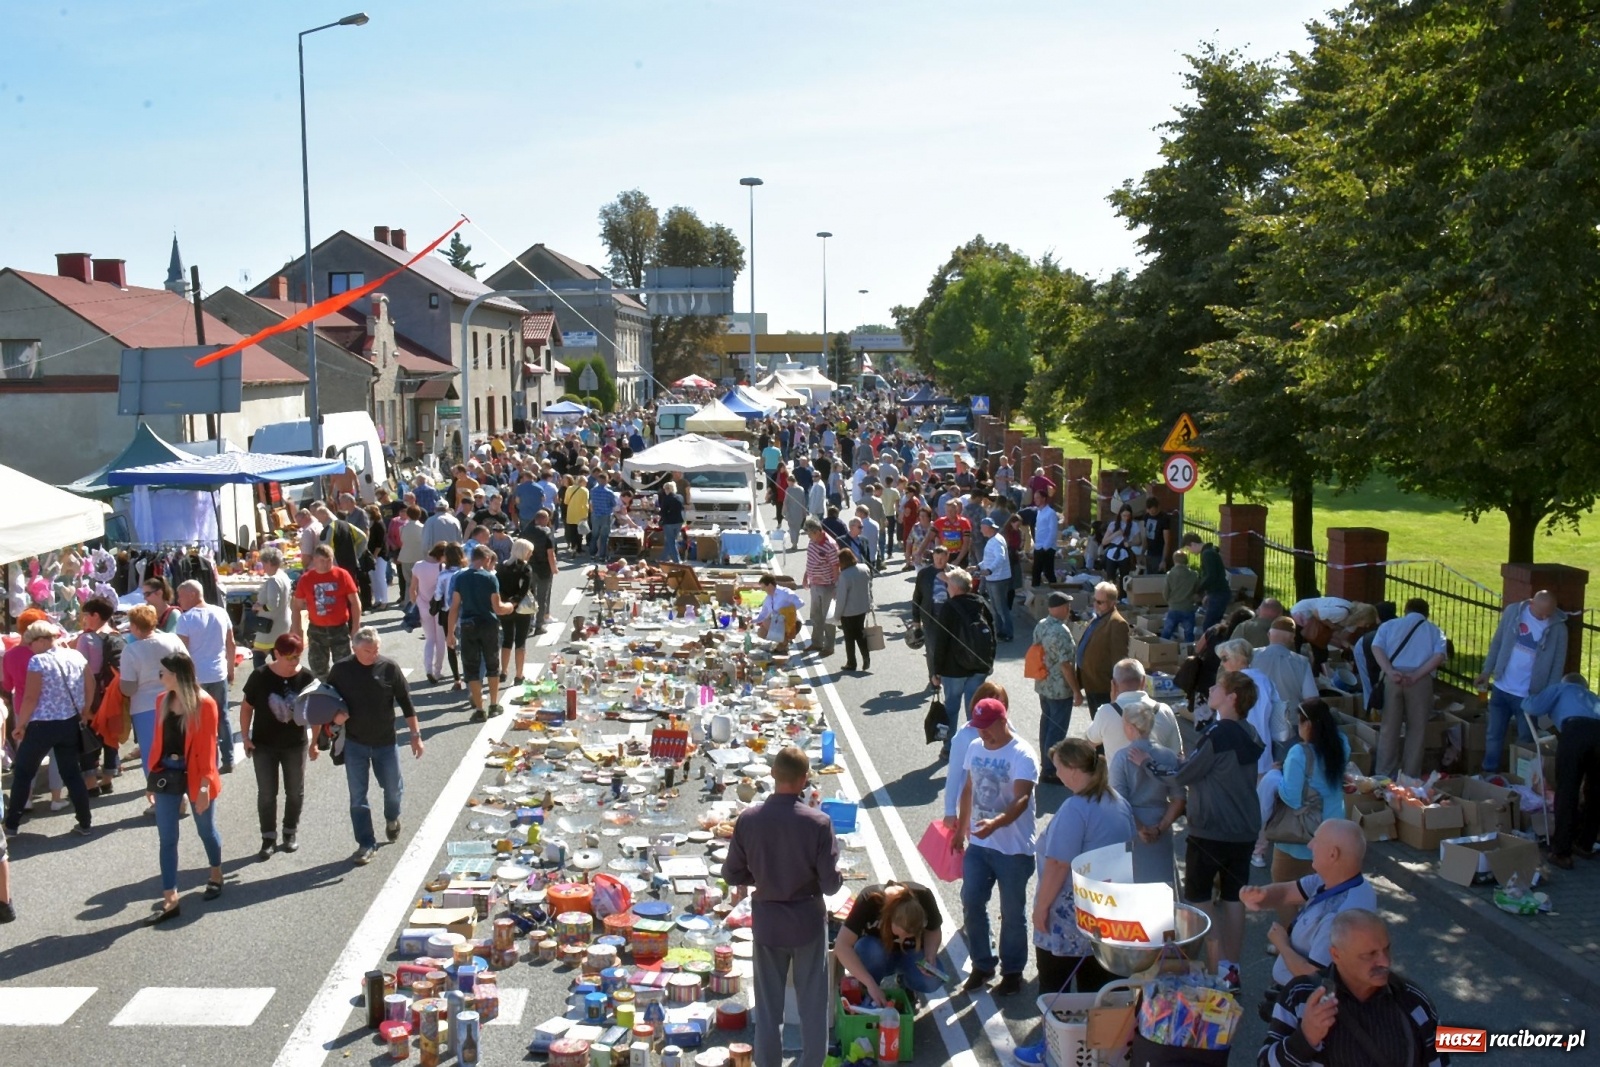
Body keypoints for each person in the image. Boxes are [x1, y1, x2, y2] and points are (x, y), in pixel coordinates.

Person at [1130, 670, 1265, 974]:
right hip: (1244, 829)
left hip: (1212, 830)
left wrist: (1147, 763)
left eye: (1219, 686)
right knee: (1234, 897)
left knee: (1199, 899)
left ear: (1231, 697)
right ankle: (1232, 967)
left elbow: (1182, 776)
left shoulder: (1219, 733)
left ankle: (1217, 970)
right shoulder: (1249, 732)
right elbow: (1214, 768)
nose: (1212, 688)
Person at [722, 745, 841, 1067]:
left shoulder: (749, 819)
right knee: (813, 1007)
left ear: (773, 774)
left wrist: (762, 874)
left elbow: (731, 874)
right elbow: (831, 885)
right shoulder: (818, 822)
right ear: (804, 781)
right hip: (807, 922)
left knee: (768, 1007)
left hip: (768, 923)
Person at [1259, 909, 1448, 1067]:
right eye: (1370, 954)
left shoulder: (1413, 1001)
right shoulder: (1300, 996)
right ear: (1336, 955)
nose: (1384, 961)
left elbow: (1441, 1060)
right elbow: (1264, 1063)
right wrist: (1304, 1039)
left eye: (1386, 949)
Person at [953, 697, 1038, 997]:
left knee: (1012, 912)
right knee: (972, 901)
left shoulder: (1022, 754)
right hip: (978, 845)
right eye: (978, 728)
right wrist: (962, 829)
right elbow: (968, 788)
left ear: (1003, 721)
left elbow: (1022, 799)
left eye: (987, 728)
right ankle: (982, 963)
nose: (982, 734)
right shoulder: (975, 748)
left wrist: (996, 824)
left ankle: (1012, 971)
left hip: (1013, 850)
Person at [1032, 739, 1133, 991]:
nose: (1056, 773)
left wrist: (1041, 908)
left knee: (1056, 991)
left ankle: (1063, 1030)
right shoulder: (1117, 801)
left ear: (1073, 770)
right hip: (1107, 913)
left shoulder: (1075, 809)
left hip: (1070, 915)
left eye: (1058, 767)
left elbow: (1057, 865)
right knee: (1099, 991)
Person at [1245, 817, 1378, 997]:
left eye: (1316, 840)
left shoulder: (1338, 918)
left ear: (1333, 854)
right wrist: (1260, 895)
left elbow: (1315, 978)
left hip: (1304, 1001)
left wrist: (1282, 944)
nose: (1310, 845)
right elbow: (1287, 891)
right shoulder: (1339, 880)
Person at [328, 627, 422, 866]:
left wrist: (415, 735)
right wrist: (334, 719)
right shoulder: (340, 670)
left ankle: (392, 818)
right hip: (355, 743)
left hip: (385, 742)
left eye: (376, 650)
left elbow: (406, 702)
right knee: (358, 797)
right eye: (367, 651)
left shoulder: (389, 668)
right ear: (355, 648)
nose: (373, 655)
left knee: (393, 789)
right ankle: (366, 843)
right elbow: (327, 701)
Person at [142, 652, 224, 924]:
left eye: (163, 672)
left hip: (197, 775)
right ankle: (170, 898)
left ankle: (215, 873)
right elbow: (158, 744)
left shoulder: (204, 704)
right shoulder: (161, 701)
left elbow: (208, 752)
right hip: (167, 773)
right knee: (167, 838)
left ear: (177, 675)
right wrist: (151, 780)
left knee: (205, 830)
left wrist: (203, 789)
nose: (160, 677)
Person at [2, 621, 93, 839]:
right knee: (71, 773)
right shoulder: (76, 656)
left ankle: (12, 825)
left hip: (42, 724)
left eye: (31, 643)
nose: (29, 648)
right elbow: (90, 684)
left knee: (23, 772)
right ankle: (85, 821)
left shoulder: (38, 662)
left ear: (42, 640)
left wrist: (21, 725)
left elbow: (31, 698)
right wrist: (85, 710)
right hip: (70, 721)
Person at [238, 633, 316, 860]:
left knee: (294, 791)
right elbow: (246, 707)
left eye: (298, 656)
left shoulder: (306, 677)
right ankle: (268, 839)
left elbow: (318, 710)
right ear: (277, 654)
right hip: (264, 745)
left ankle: (290, 833)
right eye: (290, 657)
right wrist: (245, 736)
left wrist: (315, 742)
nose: (294, 662)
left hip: (295, 744)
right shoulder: (260, 676)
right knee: (267, 794)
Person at [1267, 699, 1350, 885]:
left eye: (1299, 722)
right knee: (1323, 891)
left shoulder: (1298, 753)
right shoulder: (1342, 744)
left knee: (1282, 886)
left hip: (1300, 838)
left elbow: (1291, 797)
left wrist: (1275, 777)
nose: (1298, 727)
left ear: (1309, 725)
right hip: (1334, 830)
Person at [1523, 673, 1600, 869]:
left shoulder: (1562, 688)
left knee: (1567, 790)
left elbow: (1533, 706)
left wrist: (1526, 698)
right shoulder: (1592, 696)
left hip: (1574, 732)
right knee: (1595, 792)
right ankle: (1585, 843)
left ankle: (1561, 852)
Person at [832, 881, 945, 1009]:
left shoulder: (924, 896)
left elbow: (934, 929)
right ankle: (869, 985)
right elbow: (842, 946)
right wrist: (870, 984)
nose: (902, 940)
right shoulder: (869, 899)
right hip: (877, 954)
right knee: (870, 949)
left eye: (910, 936)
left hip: (910, 955)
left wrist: (930, 955)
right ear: (889, 916)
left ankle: (906, 985)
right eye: (901, 934)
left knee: (932, 981)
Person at [1371, 598, 1449, 780]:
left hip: (1394, 678)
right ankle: (1409, 777)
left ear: (1406, 610)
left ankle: (1383, 774)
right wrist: (1416, 675)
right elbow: (1439, 656)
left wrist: (1390, 671)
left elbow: (1376, 647)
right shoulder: (1435, 631)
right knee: (1417, 729)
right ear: (1426, 613)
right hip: (1420, 681)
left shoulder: (1390, 625)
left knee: (1389, 728)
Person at [1110, 700, 1186, 884]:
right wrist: (1160, 828)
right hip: (1161, 822)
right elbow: (1179, 798)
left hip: (1130, 825)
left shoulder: (1122, 757)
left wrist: (1141, 829)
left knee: (1132, 885)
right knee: (1162, 884)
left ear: (1130, 727)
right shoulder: (1168, 755)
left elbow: (1118, 801)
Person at [930, 567, 997, 756]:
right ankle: (975, 746)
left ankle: (949, 747)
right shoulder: (982, 603)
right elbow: (992, 633)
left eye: (948, 584)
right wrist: (989, 661)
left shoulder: (949, 608)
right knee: (974, 710)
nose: (947, 587)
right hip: (979, 666)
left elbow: (941, 641)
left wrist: (936, 671)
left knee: (951, 708)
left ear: (955, 587)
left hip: (954, 669)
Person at [175, 579, 237, 773]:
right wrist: (230, 669)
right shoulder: (220, 612)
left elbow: (182, 652)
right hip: (218, 674)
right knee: (222, 717)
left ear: (192, 594)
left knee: (196, 721)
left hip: (196, 678)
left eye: (181, 596)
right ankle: (229, 758)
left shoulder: (186, 620)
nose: (178, 600)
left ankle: (204, 760)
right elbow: (231, 644)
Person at [448, 543, 515, 721]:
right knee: (493, 666)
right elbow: (498, 607)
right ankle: (494, 704)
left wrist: (450, 633)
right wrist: (510, 607)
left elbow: (454, 607)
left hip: (468, 625)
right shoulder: (490, 578)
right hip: (488, 625)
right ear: (486, 559)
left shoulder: (461, 578)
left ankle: (479, 709)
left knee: (471, 669)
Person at [1086, 658, 1185, 766]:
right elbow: (1178, 753)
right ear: (1144, 681)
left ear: (1114, 684)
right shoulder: (1165, 710)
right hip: (1158, 781)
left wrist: (1112, 703)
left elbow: (1090, 742)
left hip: (1119, 781)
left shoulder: (1105, 712)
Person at [74, 597, 123, 795]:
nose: (84, 619)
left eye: (86, 615)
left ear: (95, 615)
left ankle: (91, 783)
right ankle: (108, 780)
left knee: (88, 737)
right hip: (112, 694)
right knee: (110, 736)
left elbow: (80, 671)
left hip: (91, 693)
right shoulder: (118, 636)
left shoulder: (85, 639)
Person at [1031, 591, 1080, 785]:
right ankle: (1051, 769)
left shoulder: (1042, 625)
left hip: (1043, 684)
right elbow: (1065, 665)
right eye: (1067, 606)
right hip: (1059, 689)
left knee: (1047, 723)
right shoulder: (1060, 631)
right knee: (1057, 730)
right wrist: (1076, 690)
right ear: (1058, 608)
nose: (1069, 610)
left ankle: (1046, 762)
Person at [293, 544, 361, 680]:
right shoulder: (306, 579)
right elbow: (296, 606)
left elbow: (355, 602)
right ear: (314, 560)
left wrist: (355, 628)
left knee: (344, 667)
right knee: (318, 668)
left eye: (328, 560)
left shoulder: (342, 575)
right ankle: (324, 694)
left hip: (339, 628)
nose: (325, 564)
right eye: (321, 561)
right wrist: (297, 630)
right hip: (317, 629)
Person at [1075, 581, 1129, 711]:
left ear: (1112, 603)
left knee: (1104, 727)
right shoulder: (1098, 618)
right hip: (1091, 683)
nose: (1095, 605)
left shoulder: (1117, 623)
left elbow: (1119, 659)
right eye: (1095, 600)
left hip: (1103, 686)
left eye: (1100, 602)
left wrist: (1116, 689)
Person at [496, 539, 536, 684]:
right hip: (521, 609)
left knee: (507, 639)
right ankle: (519, 674)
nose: (531, 555)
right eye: (530, 552)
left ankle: (503, 671)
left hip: (505, 607)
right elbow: (525, 590)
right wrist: (515, 602)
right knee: (520, 641)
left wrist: (506, 603)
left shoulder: (501, 567)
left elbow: (498, 587)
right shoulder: (525, 569)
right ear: (525, 552)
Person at [801, 517, 841, 657]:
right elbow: (810, 561)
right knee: (815, 615)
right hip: (815, 584)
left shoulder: (830, 545)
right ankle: (816, 642)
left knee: (828, 617)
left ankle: (829, 646)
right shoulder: (812, 542)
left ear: (818, 531)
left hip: (827, 585)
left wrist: (836, 586)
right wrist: (806, 576)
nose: (809, 537)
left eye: (810, 534)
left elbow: (836, 566)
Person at [251, 547, 294, 669]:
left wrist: (258, 607)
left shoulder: (273, 580)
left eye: (263, 563)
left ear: (270, 563)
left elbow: (271, 605)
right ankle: (282, 679)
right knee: (278, 653)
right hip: (282, 621)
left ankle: (260, 680)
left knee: (258, 654)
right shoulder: (283, 576)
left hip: (271, 624)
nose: (262, 566)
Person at [835, 547, 874, 673]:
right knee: (860, 633)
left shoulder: (845, 576)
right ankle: (866, 656)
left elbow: (841, 598)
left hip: (848, 612)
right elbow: (869, 587)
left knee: (849, 638)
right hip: (862, 608)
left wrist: (837, 615)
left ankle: (851, 662)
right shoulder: (864, 568)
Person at [1184, 531, 1233, 629]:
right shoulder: (1209, 551)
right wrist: (1207, 594)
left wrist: (1198, 590)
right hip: (1218, 593)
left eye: (1188, 548)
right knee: (1214, 624)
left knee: (1208, 625)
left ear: (1193, 544)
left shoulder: (1207, 555)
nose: (1190, 552)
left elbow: (1210, 576)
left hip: (1218, 594)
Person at [977, 516, 1013, 642]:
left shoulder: (996, 541)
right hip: (993, 578)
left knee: (1001, 607)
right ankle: (1000, 631)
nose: (981, 530)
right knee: (997, 607)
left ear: (988, 528)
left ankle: (1007, 632)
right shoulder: (994, 539)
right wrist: (978, 566)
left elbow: (1000, 557)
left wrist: (989, 570)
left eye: (982, 528)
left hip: (998, 579)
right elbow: (989, 559)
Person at [523, 510, 559, 635]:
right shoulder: (546, 532)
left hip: (528, 568)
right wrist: (554, 568)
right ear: (544, 519)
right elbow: (550, 553)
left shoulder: (525, 531)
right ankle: (539, 625)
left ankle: (527, 625)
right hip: (544, 569)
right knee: (541, 598)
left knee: (528, 597)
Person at [1099, 504, 1142, 593]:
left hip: (1124, 552)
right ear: (1120, 515)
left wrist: (1130, 543)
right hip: (1112, 552)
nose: (1126, 518)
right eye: (1124, 516)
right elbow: (1104, 541)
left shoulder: (1134, 525)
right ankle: (1110, 595)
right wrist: (1116, 534)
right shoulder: (1113, 524)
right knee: (1110, 577)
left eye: (1128, 516)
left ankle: (1123, 596)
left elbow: (1138, 541)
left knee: (1124, 576)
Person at [1160, 550, 1201, 641]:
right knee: (1189, 633)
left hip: (1174, 607)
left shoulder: (1170, 574)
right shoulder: (1194, 575)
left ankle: (1161, 649)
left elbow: (1166, 593)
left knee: (1167, 632)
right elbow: (1197, 591)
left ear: (1174, 561)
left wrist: (1169, 601)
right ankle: (1188, 651)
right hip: (1188, 608)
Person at [658, 479, 685, 564]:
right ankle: (663, 558)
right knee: (670, 541)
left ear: (667, 489)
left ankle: (677, 561)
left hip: (669, 522)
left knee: (671, 541)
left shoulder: (666, 498)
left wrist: (660, 518)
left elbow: (663, 511)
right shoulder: (680, 497)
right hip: (679, 521)